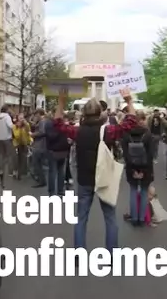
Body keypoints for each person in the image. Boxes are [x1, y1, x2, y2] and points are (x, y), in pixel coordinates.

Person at [52, 88, 136, 253]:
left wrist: (61, 102)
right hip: (103, 178)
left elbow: (57, 124)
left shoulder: (77, 131)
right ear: (101, 114)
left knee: (81, 218)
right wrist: (129, 101)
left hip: (84, 179)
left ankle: (79, 253)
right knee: (110, 218)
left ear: (83, 114)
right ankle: (111, 254)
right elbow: (131, 122)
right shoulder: (108, 131)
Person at [121, 111, 153, 226]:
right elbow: (150, 154)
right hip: (146, 167)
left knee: (133, 191)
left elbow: (125, 154)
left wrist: (134, 170)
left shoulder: (126, 133)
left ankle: (134, 217)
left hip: (131, 166)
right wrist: (144, 170)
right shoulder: (147, 133)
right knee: (144, 191)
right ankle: (142, 218)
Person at [0, 105, 14, 185]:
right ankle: (9, 172)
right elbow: (10, 126)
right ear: (7, 110)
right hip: (7, 138)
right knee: (9, 155)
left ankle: (0, 169)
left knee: (1, 155)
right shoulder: (7, 117)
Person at [29, 109, 48, 188]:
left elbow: (42, 132)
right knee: (37, 163)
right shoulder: (42, 121)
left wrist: (33, 134)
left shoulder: (42, 121)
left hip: (39, 145)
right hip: (39, 145)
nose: (35, 117)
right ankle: (41, 180)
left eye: (36, 115)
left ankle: (41, 181)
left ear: (39, 114)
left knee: (37, 163)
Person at [12, 113, 31, 179]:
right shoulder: (15, 126)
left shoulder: (26, 125)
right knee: (16, 159)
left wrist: (26, 124)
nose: (21, 120)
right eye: (20, 118)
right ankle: (14, 172)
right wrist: (19, 128)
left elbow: (28, 132)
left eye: (22, 118)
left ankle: (19, 174)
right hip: (17, 144)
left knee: (22, 160)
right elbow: (17, 136)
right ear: (17, 119)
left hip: (24, 144)